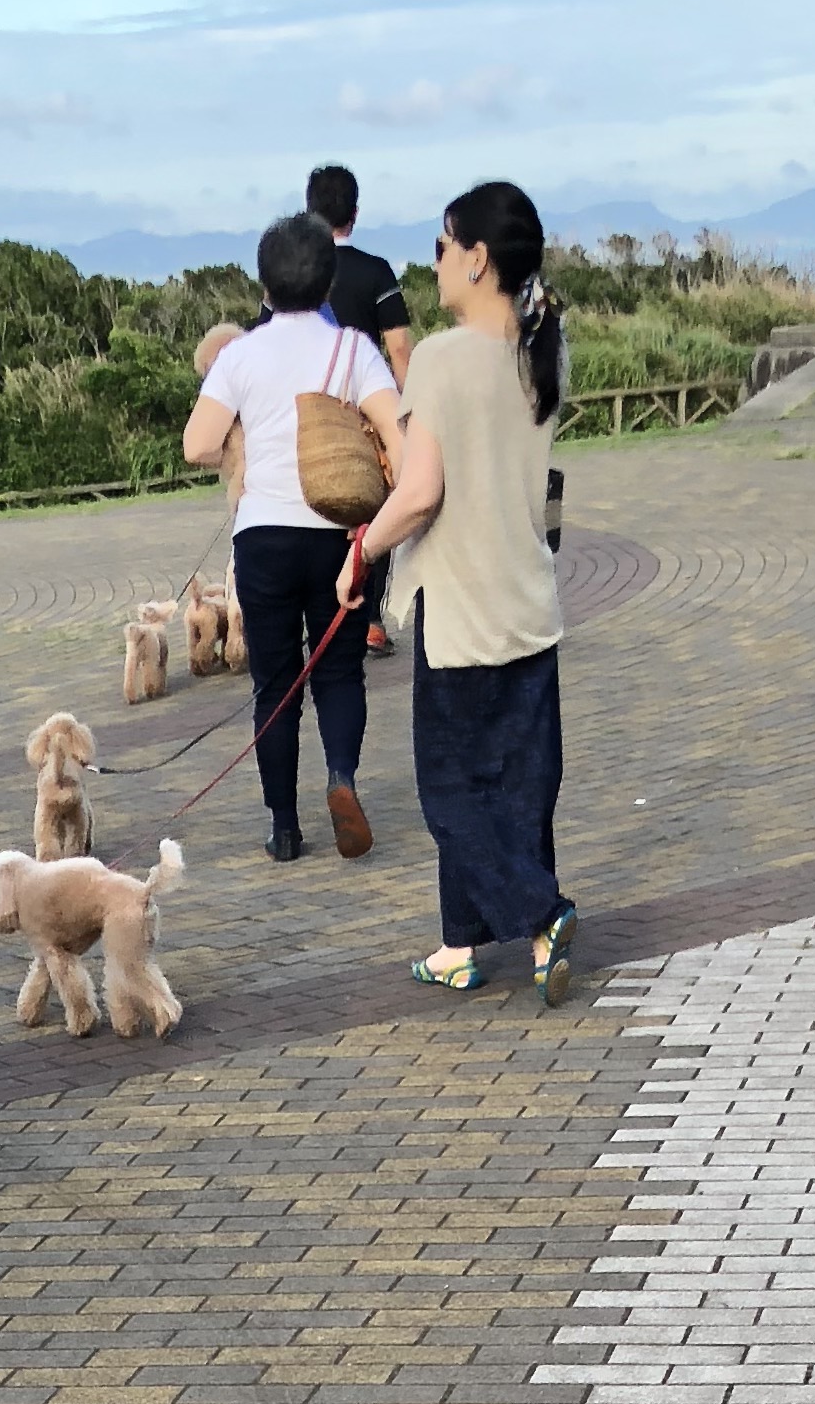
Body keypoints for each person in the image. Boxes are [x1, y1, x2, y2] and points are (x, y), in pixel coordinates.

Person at [340, 177, 575, 1002]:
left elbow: (421, 493)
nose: (433, 260)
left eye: (442, 244)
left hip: (460, 612)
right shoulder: (544, 348)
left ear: (477, 259)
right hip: (529, 601)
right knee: (521, 785)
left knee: (448, 790)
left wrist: (361, 550)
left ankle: (543, 914)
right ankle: (461, 946)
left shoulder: (441, 358)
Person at [182, 212, 402, 863]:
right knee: (338, 673)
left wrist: (250, 438)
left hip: (263, 538)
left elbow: (197, 445)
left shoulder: (241, 355)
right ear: (329, 280)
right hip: (338, 534)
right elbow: (399, 438)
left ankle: (283, 826)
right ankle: (341, 778)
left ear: (265, 285)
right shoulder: (353, 350)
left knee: (274, 687)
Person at [307, 162, 413, 650]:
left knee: (318, 507)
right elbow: (400, 351)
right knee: (377, 506)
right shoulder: (376, 272)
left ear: (309, 211)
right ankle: (368, 619)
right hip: (370, 413)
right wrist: (406, 414)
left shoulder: (296, 277)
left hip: (313, 416)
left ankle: (320, 620)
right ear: (354, 211)